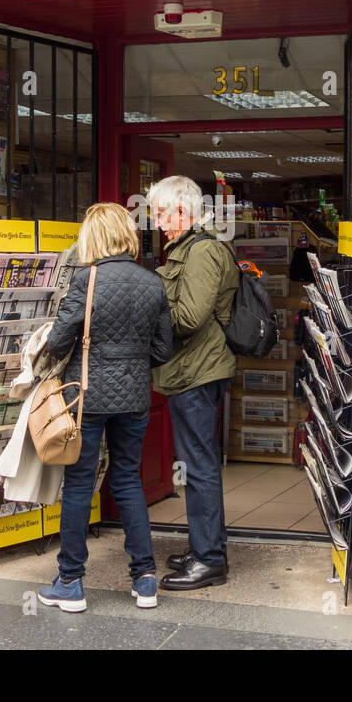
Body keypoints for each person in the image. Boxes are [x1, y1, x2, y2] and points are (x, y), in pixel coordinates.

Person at [35, 203, 172, 613]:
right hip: (134, 399)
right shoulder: (153, 282)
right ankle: (145, 578)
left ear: (91, 238)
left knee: (79, 484)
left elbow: (58, 342)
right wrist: (129, 364)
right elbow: (163, 349)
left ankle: (71, 581)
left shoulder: (85, 279)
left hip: (87, 398)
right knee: (127, 480)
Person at [147, 175, 240, 592]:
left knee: (199, 469)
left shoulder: (202, 253)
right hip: (191, 371)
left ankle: (209, 561)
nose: (158, 223)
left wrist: (148, 309)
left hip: (197, 374)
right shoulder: (189, 249)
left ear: (183, 212)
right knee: (194, 466)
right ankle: (205, 546)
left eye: (162, 214)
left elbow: (188, 319)